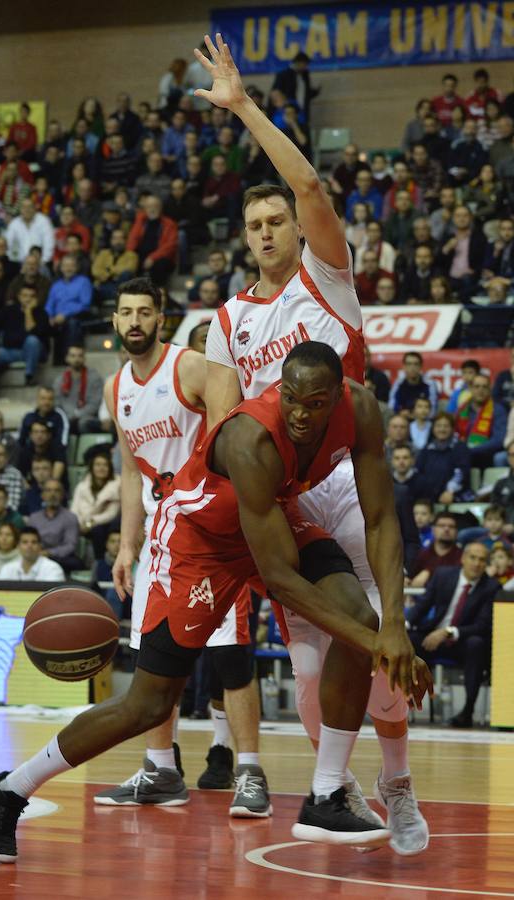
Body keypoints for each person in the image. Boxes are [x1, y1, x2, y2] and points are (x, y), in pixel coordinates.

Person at [0, 341, 434, 863]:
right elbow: (281, 581)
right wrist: (382, 647)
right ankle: (11, 788)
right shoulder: (249, 438)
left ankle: (326, 794)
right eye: (293, 400)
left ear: (338, 397)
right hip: (200, 542)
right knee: (147, 704)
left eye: (316, 403)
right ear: (279, 389)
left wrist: (392, 628)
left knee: (362, 616)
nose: (302, 415)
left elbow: (381, 519)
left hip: (270, 519)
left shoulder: (363, 410)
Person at [197, 35, 428, 853]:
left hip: (346, 478)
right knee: (307, 674)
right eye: (253, 224)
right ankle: (337, 785)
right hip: (283, 499)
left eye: (275, 220)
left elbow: (308, 180)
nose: (265, 231)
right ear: (243, 236)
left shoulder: (325, 276)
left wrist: (244, 107)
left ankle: (395, 781)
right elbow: (222, 430)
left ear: (295, 228)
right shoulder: (225, 322)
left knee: (382, 656)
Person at [97, 276, 265, 816]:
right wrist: (127, 547)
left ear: (160, 318)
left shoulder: (188, 366)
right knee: (152, 661)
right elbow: (129, 474)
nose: (136, 321)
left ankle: (250, 773)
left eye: (145, 311)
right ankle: (160, 770)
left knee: (231, 656)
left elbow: (229, 437)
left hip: (209, 535)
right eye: (126, 312)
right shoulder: (115, 388)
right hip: (159, 542)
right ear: (115, 322)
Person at [407, 542, 499, 728]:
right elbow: (422, 605)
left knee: (477, 644)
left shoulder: (491, 587)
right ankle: (401, 704)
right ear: (463, 559)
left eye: (482, 560)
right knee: (408, 640)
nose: (477, 563)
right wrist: (404, 626)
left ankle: (467, 712)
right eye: (473, 557)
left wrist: (448, 632)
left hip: (462, 642)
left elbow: (482, 625)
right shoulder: (443, 575)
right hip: (431, 638)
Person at [0, 284, 50, 397]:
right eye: (25, 295)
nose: (28, 299)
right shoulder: (8, 311)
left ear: (36, 298)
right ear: (19, 297)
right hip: (11, 351)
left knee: (32, 340)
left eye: (31, 296)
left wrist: (28, 312)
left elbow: (34, 333)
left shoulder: (42, 313)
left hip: (35, 353)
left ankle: (29, 376)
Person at [70, 452, 121, 557]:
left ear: (110, 468)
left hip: (103, 524)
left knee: (98, 530)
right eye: (98, 465)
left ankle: (100, 561)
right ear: (92, 467)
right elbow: (74, 509)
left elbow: (111, 514)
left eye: (105, 465)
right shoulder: (82, 486)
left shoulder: (116, 486)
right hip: (81, 524)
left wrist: (90, 523)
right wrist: (79, 524)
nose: (101, 468)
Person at [45, 254, 93, 363]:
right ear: (61, 268)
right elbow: (49, 305)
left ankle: (69, 359)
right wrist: (49, 317)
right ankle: (48, 360)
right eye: (65, 266)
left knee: (71, 324)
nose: (68, 268)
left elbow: (85, 304)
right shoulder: (56, 285)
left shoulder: (84, 282)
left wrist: (65, 315)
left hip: (76, 316)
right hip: (56, 319)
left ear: (76, 268)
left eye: (71, 266)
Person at [416, 412, 471, 504]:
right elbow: (418, 471)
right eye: (438, 426)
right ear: (433, 429)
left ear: (452, 429)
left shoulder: (460, 448)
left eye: (446, 426)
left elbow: (461, 472)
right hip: (428, 495)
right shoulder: (427, 449)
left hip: (453, 494)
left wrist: (450, 491)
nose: (442, 429)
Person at [454, 373, 507, 469]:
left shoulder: (498, 410)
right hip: (463, 454)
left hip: (486, 456)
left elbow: (499, 440)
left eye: (484, 387)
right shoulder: (462, 409)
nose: (480, 390)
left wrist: (472, 450)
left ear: (489, 390)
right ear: (470, 389)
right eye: (477, 386)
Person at [27, 480, 81, 572]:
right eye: (48, 490)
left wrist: (49, 553)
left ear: (62, 495)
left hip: (61, 559)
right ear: (42, 495)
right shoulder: (34, 518)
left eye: (56, 490)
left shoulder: (70, 517)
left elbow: (70, 545)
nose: (52, 494)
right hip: (37, 556)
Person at [53, 345, 104, 434]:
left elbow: (95, 403)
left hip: (88, 417)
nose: (76, 359)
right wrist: (68, 416)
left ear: (84, 358)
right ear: (67, 358)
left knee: (83, 423)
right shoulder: (60, 380)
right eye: (73, 356)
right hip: (66, 417)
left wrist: (77, 415)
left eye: (80, 356)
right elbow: (57, 403)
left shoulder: (94, 378)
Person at [409, 512, 462, 588]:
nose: (446, 529)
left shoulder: (463, 557)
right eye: (441, 526)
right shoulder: (420, 555)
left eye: (451, 526)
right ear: (433, 530)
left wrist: (429, 571)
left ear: (456, 532)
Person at [0, 526, 65, 582]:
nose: (29, 546)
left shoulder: (53, 569)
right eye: (25, 542)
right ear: (18, 546)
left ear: (40, 546)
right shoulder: (8, 568)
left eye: (34, 542)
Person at [92, 229, 139, 301]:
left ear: (125, 241)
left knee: (126, 274)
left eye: (121, 238)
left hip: (122, 284)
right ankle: (116, 295)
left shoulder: (132, 255)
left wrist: (109, 270)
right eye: (115, 238)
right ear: (111, 240)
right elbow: (95, 270)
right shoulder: (103, 253)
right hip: (105, 284)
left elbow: (130, 268)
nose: (118, 241)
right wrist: (109, 275)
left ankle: (117, 295)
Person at [5, 198, 55, 265]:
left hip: (40, 263)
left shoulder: (44, 221)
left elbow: (49, 243)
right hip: (18, 263)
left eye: (29, 207)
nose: (27, 210)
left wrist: (44, 260)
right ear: (20, 209)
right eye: (24, 207)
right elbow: (8, 244)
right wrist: (12, 260)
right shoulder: (14, 224)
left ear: (34, 208)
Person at [389, 352, 438, 418]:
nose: (412, 367)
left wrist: (416, 416)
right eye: (409, 364)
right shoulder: (398, 383)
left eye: (416, 364)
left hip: (423, 420)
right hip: (403, 420)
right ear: (404, 366)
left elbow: (433, 410)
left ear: (421, 366)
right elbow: (391, 406)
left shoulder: (430, 384)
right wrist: (400, 413)